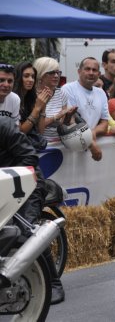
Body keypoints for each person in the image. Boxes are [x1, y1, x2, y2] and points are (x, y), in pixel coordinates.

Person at [0, 116, 66, 304]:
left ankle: (54, 284)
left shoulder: (4, 126)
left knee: (26, 232)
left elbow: (29, 157)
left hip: (25, 183)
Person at [62, 57, 110, 161]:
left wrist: (94, 132)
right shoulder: (68, 89)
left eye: (94, 70)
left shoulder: (101, 93)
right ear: (79, 71)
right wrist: (91, 142)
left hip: (90, 146)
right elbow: (72, 122)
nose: (91, 73)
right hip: (71, 151)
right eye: (87, 69)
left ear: (99, 74)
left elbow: (104, 123)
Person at [32, 57, 77, 142]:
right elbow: (35, 126)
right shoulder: (32, 95)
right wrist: (56, 116)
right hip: (40, 144)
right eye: (52, 72)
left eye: (58, 72)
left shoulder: (61, 93)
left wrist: (69, 116)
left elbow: (62, 123)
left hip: (60, 143)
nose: (56, 76)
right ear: (41, 74)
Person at [13, 62, 51, 146]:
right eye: (26, 76)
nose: (31, 80)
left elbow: (41, 131)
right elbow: (21, 132)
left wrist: (43, 107)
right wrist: (37, 108)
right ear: (18, 78)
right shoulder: (12, 99)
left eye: (33, 77)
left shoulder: (31, 98)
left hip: (31, 148)